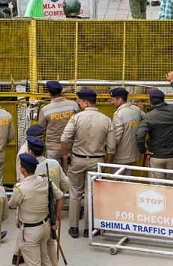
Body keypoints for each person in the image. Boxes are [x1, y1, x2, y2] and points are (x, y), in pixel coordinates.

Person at [61, 89, 115, 238]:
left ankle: (73, 227)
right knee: (91, 194)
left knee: (75, 193)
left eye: (79, 101)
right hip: (97, 160)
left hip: (77, 159)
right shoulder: (106, 120)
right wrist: (106, 164)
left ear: (85, 102)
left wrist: (67, 155)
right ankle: (89, 229)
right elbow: (111, 147)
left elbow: (65, 139)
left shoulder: (76, 118)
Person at [8, 154, 63, 265]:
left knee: (34, 263)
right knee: (44, 259)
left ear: (23, 169)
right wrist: (56, 218)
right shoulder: (46, 181)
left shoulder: (20, 188)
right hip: (45, 227)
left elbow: (11, 205)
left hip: (30, 231)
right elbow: (60, 196)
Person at [136, 71, 173, 179]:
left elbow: (139, 135)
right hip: (172, 156)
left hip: (155, 156)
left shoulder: (148, 117)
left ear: (151, 101)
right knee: (169, 186)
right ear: (163, 99)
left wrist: (143, 150)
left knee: (157, 189)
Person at [37, 81, 78, 168]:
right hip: (70, 146)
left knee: (54, 176)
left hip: (53, 148)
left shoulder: (45, 110)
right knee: (69, 176)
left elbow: (41, 129)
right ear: (61, 91)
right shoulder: (73, 105)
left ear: (49, 93)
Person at [109, 88, 142, 166]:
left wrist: (108, 150)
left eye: (112, 100)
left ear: (120, 100)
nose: (111, 102)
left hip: (121, 157)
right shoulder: (137, 110)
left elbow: (116, 138)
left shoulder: (118, 114)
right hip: (134, 154)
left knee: (115, 178)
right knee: (127, 178)